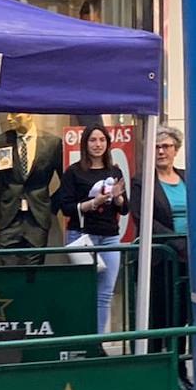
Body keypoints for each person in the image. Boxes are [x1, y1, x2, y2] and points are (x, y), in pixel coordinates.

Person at [55, 125, 127, 333]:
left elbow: (124, 209)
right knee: (82, 291)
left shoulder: (115, 171)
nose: (98, 145)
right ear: (85, 144)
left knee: (105, 294)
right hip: (82, 236)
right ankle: (80, 338)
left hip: (110, 238)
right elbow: (66, 207)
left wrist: (118, 196)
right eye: (93, 140)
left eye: (102, 140)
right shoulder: (74, 172)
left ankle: (98, 341)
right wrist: (93, 203)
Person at [131, 125, 191, 338]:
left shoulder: (188, 176)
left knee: (185, 313)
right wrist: (178, 244)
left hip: (190, 258)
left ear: (176, 149)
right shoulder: (142, 181)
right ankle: (162, 361)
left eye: (166, 146)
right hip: (162, 257)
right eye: (156, 147)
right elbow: (142, 218)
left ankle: (182, 364)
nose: (161, 151)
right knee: (162, 315)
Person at [0, 111, 63, 266]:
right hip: (8, 217)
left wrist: (51, 206)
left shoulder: (52, 143)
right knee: (8, 269)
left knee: (34, 269)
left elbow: (65, 181)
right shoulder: (1, 142)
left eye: (15, 114)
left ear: (30, 114)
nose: (9, 118)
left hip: (37, 217)